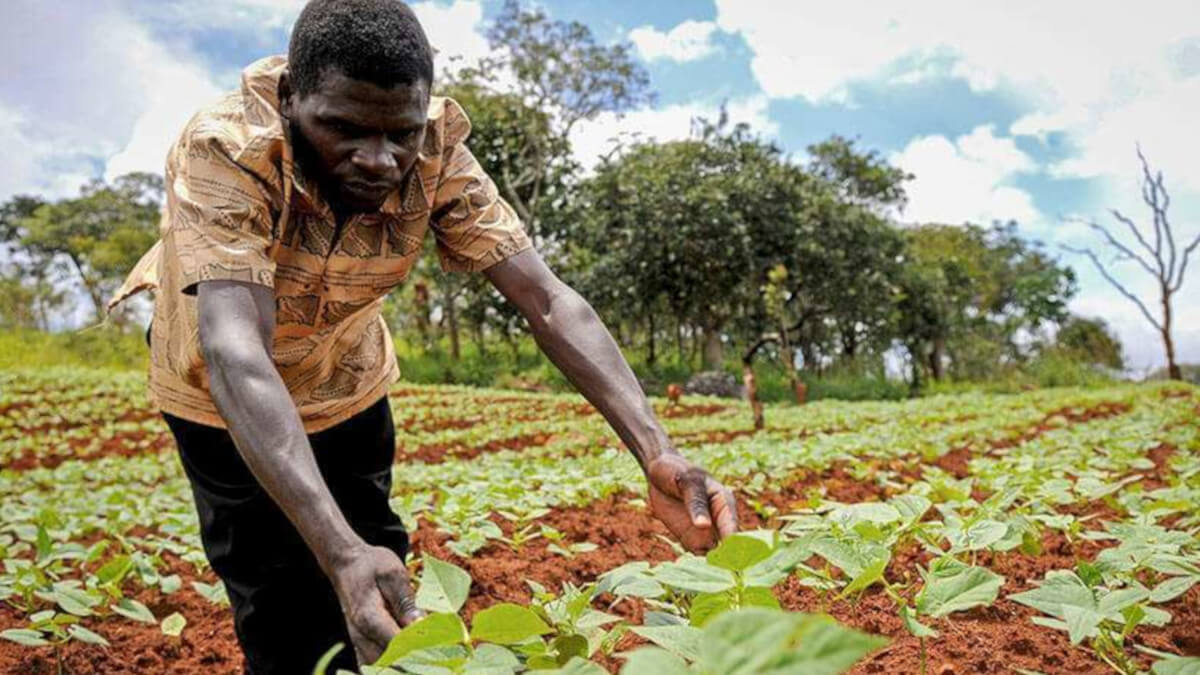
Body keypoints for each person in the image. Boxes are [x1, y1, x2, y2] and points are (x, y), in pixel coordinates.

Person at [106, 1, 738, 672]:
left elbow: (547, 300)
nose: (378, 160)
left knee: (378, 560)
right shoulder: (226, 146)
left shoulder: (437, 153)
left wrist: (656, 449)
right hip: (223, 398)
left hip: (346, 380)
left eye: (399, 135)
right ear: (291, 97)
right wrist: (337, 551)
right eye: (343, 129)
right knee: (281, 597)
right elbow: (235, 349)